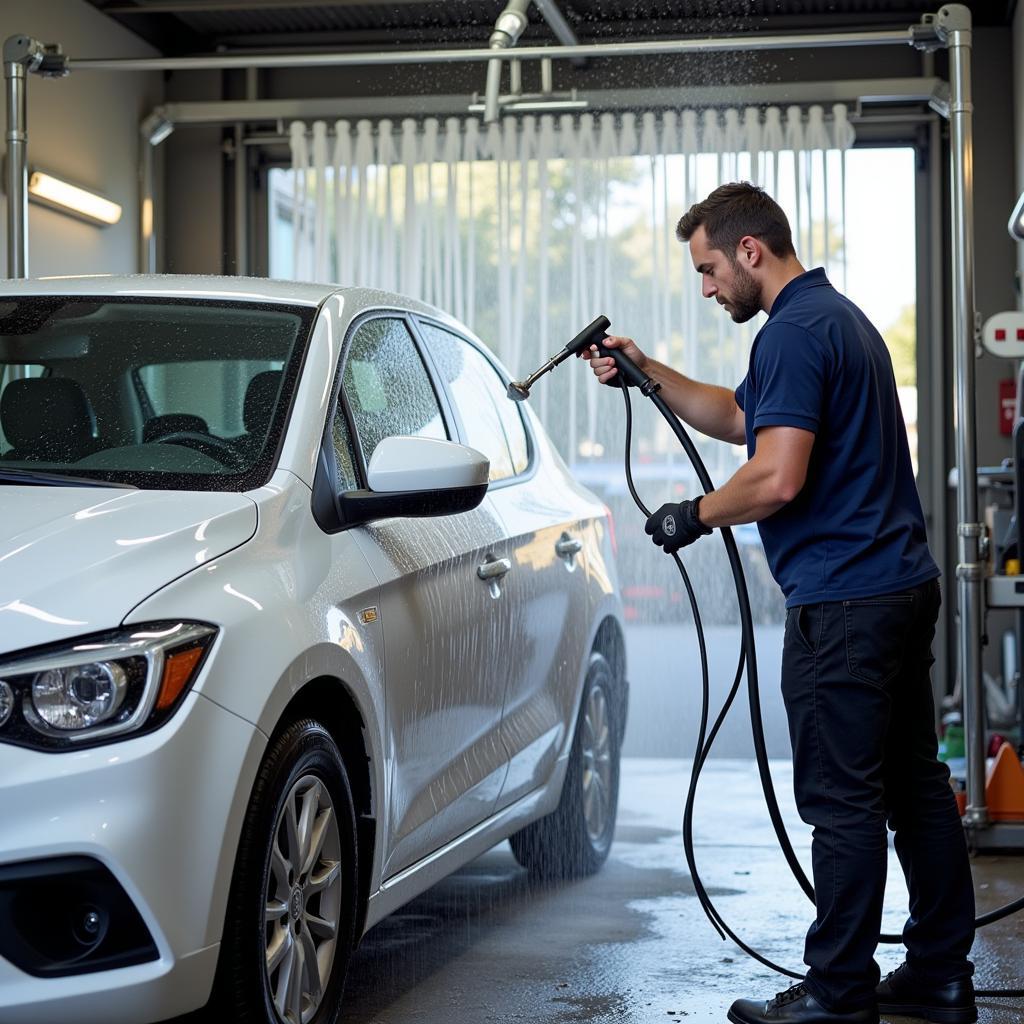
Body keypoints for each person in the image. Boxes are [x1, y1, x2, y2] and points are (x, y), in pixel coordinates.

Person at [581, 182, 976, 1024]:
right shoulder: (838, 321)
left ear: (751, 250)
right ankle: (941, 975)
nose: (708, 287)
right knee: (912, 786)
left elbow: (775, 475)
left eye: (710, 268)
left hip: (844, 604)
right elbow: (738, 417)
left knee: (843, 803)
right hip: (899, 586)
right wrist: (649, 372)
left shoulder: (792, 334)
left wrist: (692, 514)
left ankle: (838, 994)